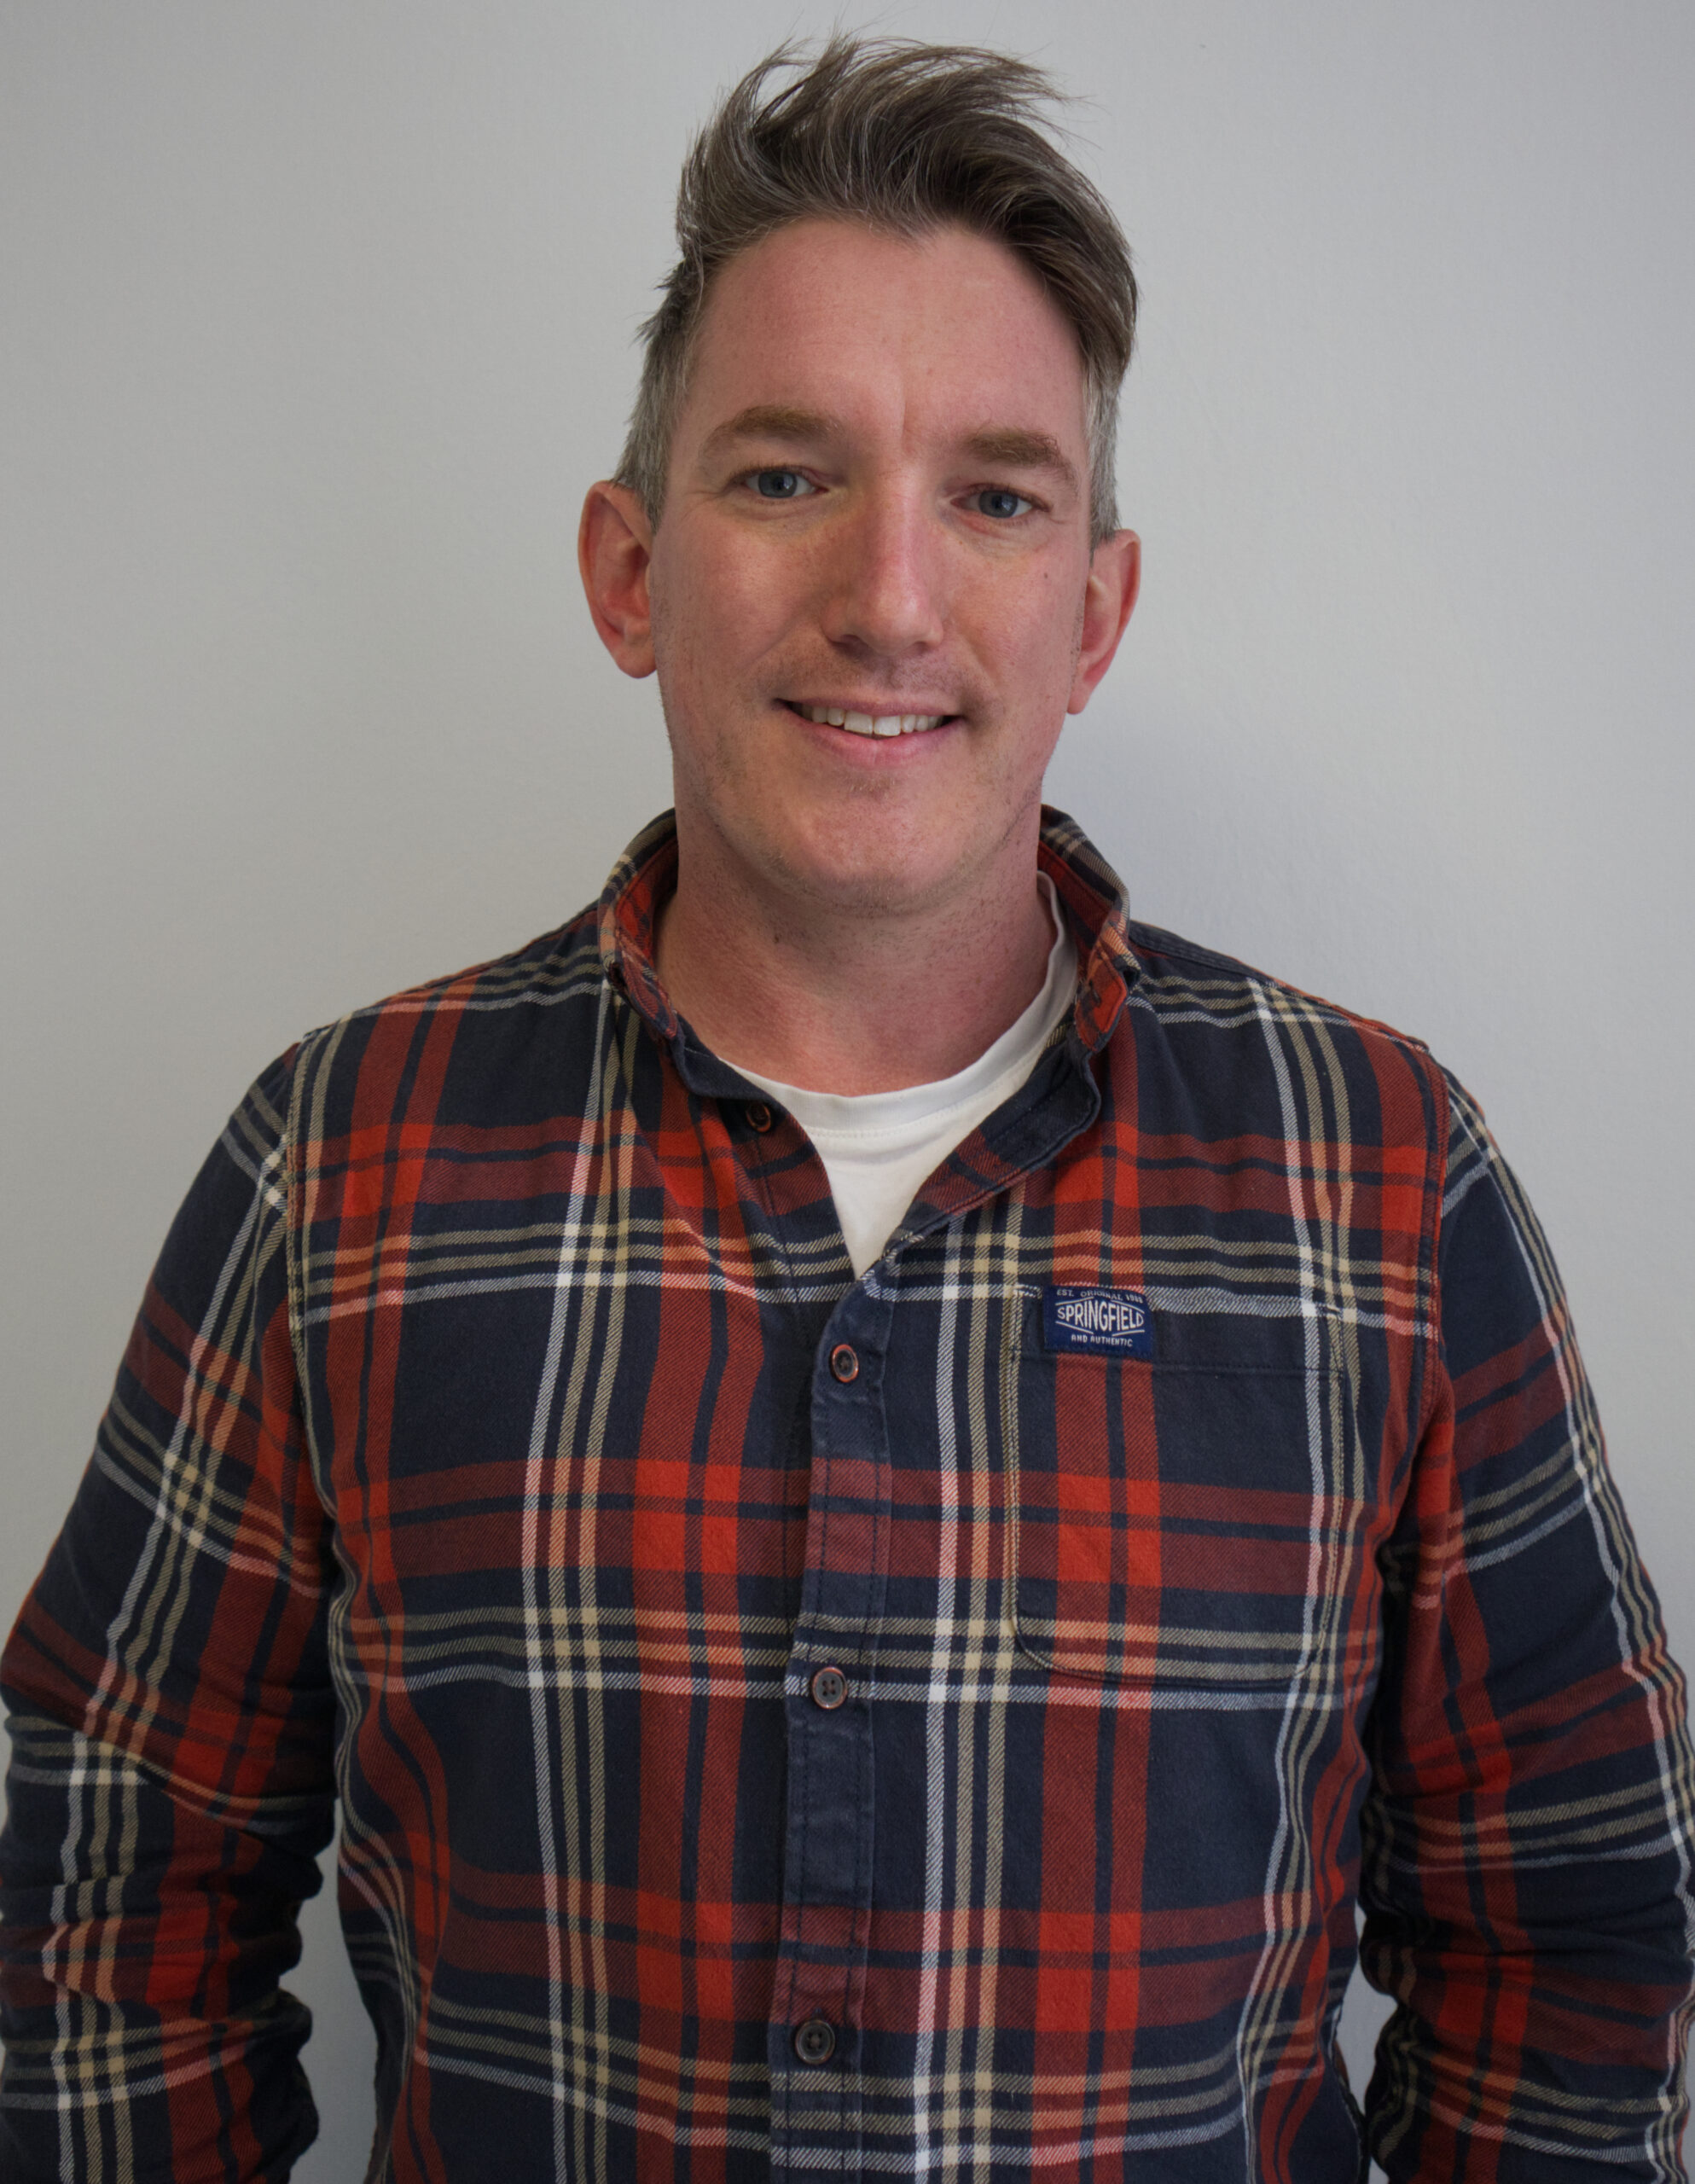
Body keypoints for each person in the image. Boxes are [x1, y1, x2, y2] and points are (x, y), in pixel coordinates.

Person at [2, 33, 1690, 2184]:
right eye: (786, 475)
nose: (889, 599)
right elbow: (98, 1900)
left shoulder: (1381, 1179)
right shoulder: (340, 1166)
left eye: (994, 496)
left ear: (1093, 611)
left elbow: (1579, 1933)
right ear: (630, 572)